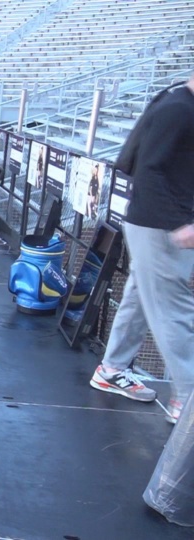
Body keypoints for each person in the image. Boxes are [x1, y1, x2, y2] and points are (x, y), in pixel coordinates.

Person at [89, 73, 194, 424]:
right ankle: (188, 399)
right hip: (161, 226)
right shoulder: (179, 109)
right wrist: (179, 223)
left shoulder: (178, 101)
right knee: (174, 310)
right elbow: (149, 171)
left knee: (139, 298)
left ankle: (113, 368)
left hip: (156, 223)